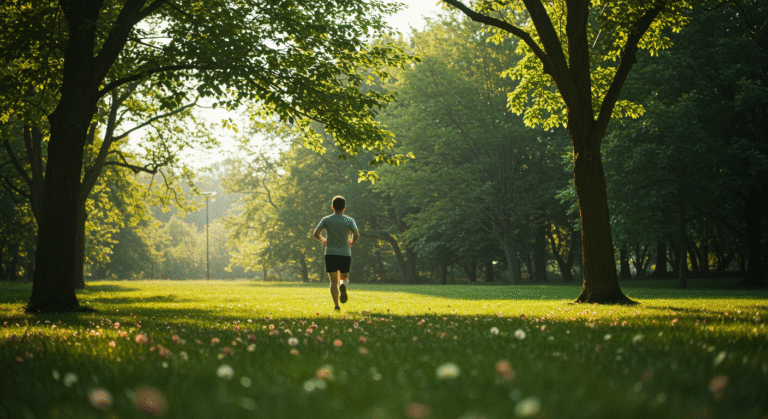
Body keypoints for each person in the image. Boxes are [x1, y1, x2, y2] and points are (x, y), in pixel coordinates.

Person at [313, 196, 359, 311]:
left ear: (332, 207)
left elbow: (316, 233)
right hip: (345, 253)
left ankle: (336, 306)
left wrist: (323, 240)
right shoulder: (349, 220)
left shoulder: (326, 220)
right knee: (344, 278)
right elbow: (356, 234)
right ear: (344, 208)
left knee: (333, 282)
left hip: (330, 253)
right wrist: (352, 242)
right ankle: (343, 285)